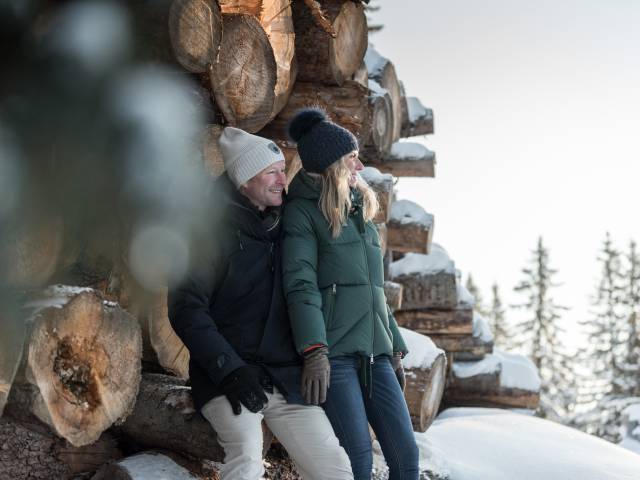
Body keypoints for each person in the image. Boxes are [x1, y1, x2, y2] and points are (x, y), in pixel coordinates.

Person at [168, 127, 353, 480]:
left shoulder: (287, 226)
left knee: (335, 467)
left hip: (285, 378)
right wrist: (230, 370)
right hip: (228, 377)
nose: (283, 180)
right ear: (243, 181)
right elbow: (186, 308)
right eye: (271, 172)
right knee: (247, 459)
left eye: (283, 170)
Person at [281, 108, 420, 480]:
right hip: (335, 358)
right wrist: (314, 351)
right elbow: (300, 285)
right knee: (356, 461)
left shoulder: (360, 213)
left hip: (375, 354)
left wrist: (393, 347)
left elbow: (374, 292)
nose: (359, 167)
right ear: (330, 165)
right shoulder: (302, 214)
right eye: (351, 158)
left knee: (406, 459)